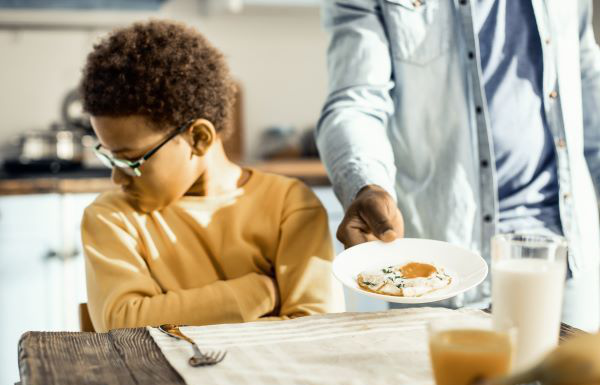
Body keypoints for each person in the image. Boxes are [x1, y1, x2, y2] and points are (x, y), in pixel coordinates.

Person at [317, 0, 600, 331]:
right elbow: (355, 104)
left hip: (566, 258)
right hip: (446, 269)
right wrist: (366, 184)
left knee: (572, 383)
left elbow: (585, 76)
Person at [80, 20, 344, 332]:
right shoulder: (111, 217)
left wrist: (164, 313)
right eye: (109, 157)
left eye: (132, 160)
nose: (117, 178)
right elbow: (123, 323)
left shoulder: (290, 205)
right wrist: (258, 293)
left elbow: (316, 330)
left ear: (199, 138)